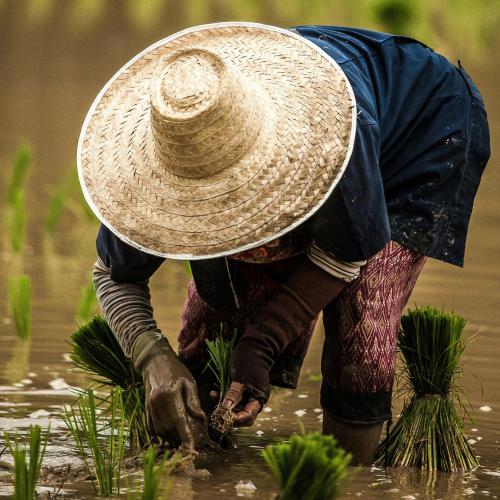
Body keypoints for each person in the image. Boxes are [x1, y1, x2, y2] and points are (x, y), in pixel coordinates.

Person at [78, 23, 490, 465]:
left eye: (232, 196)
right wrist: (151, 358)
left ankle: (347, 476)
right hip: (291, 126)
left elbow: (347, 250)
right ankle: (204, 451)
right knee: (219, 315)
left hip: (419, 131)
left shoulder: (331, 139)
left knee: (363, 319)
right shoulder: (154, 165)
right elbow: (113, 274)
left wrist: (264, 344)